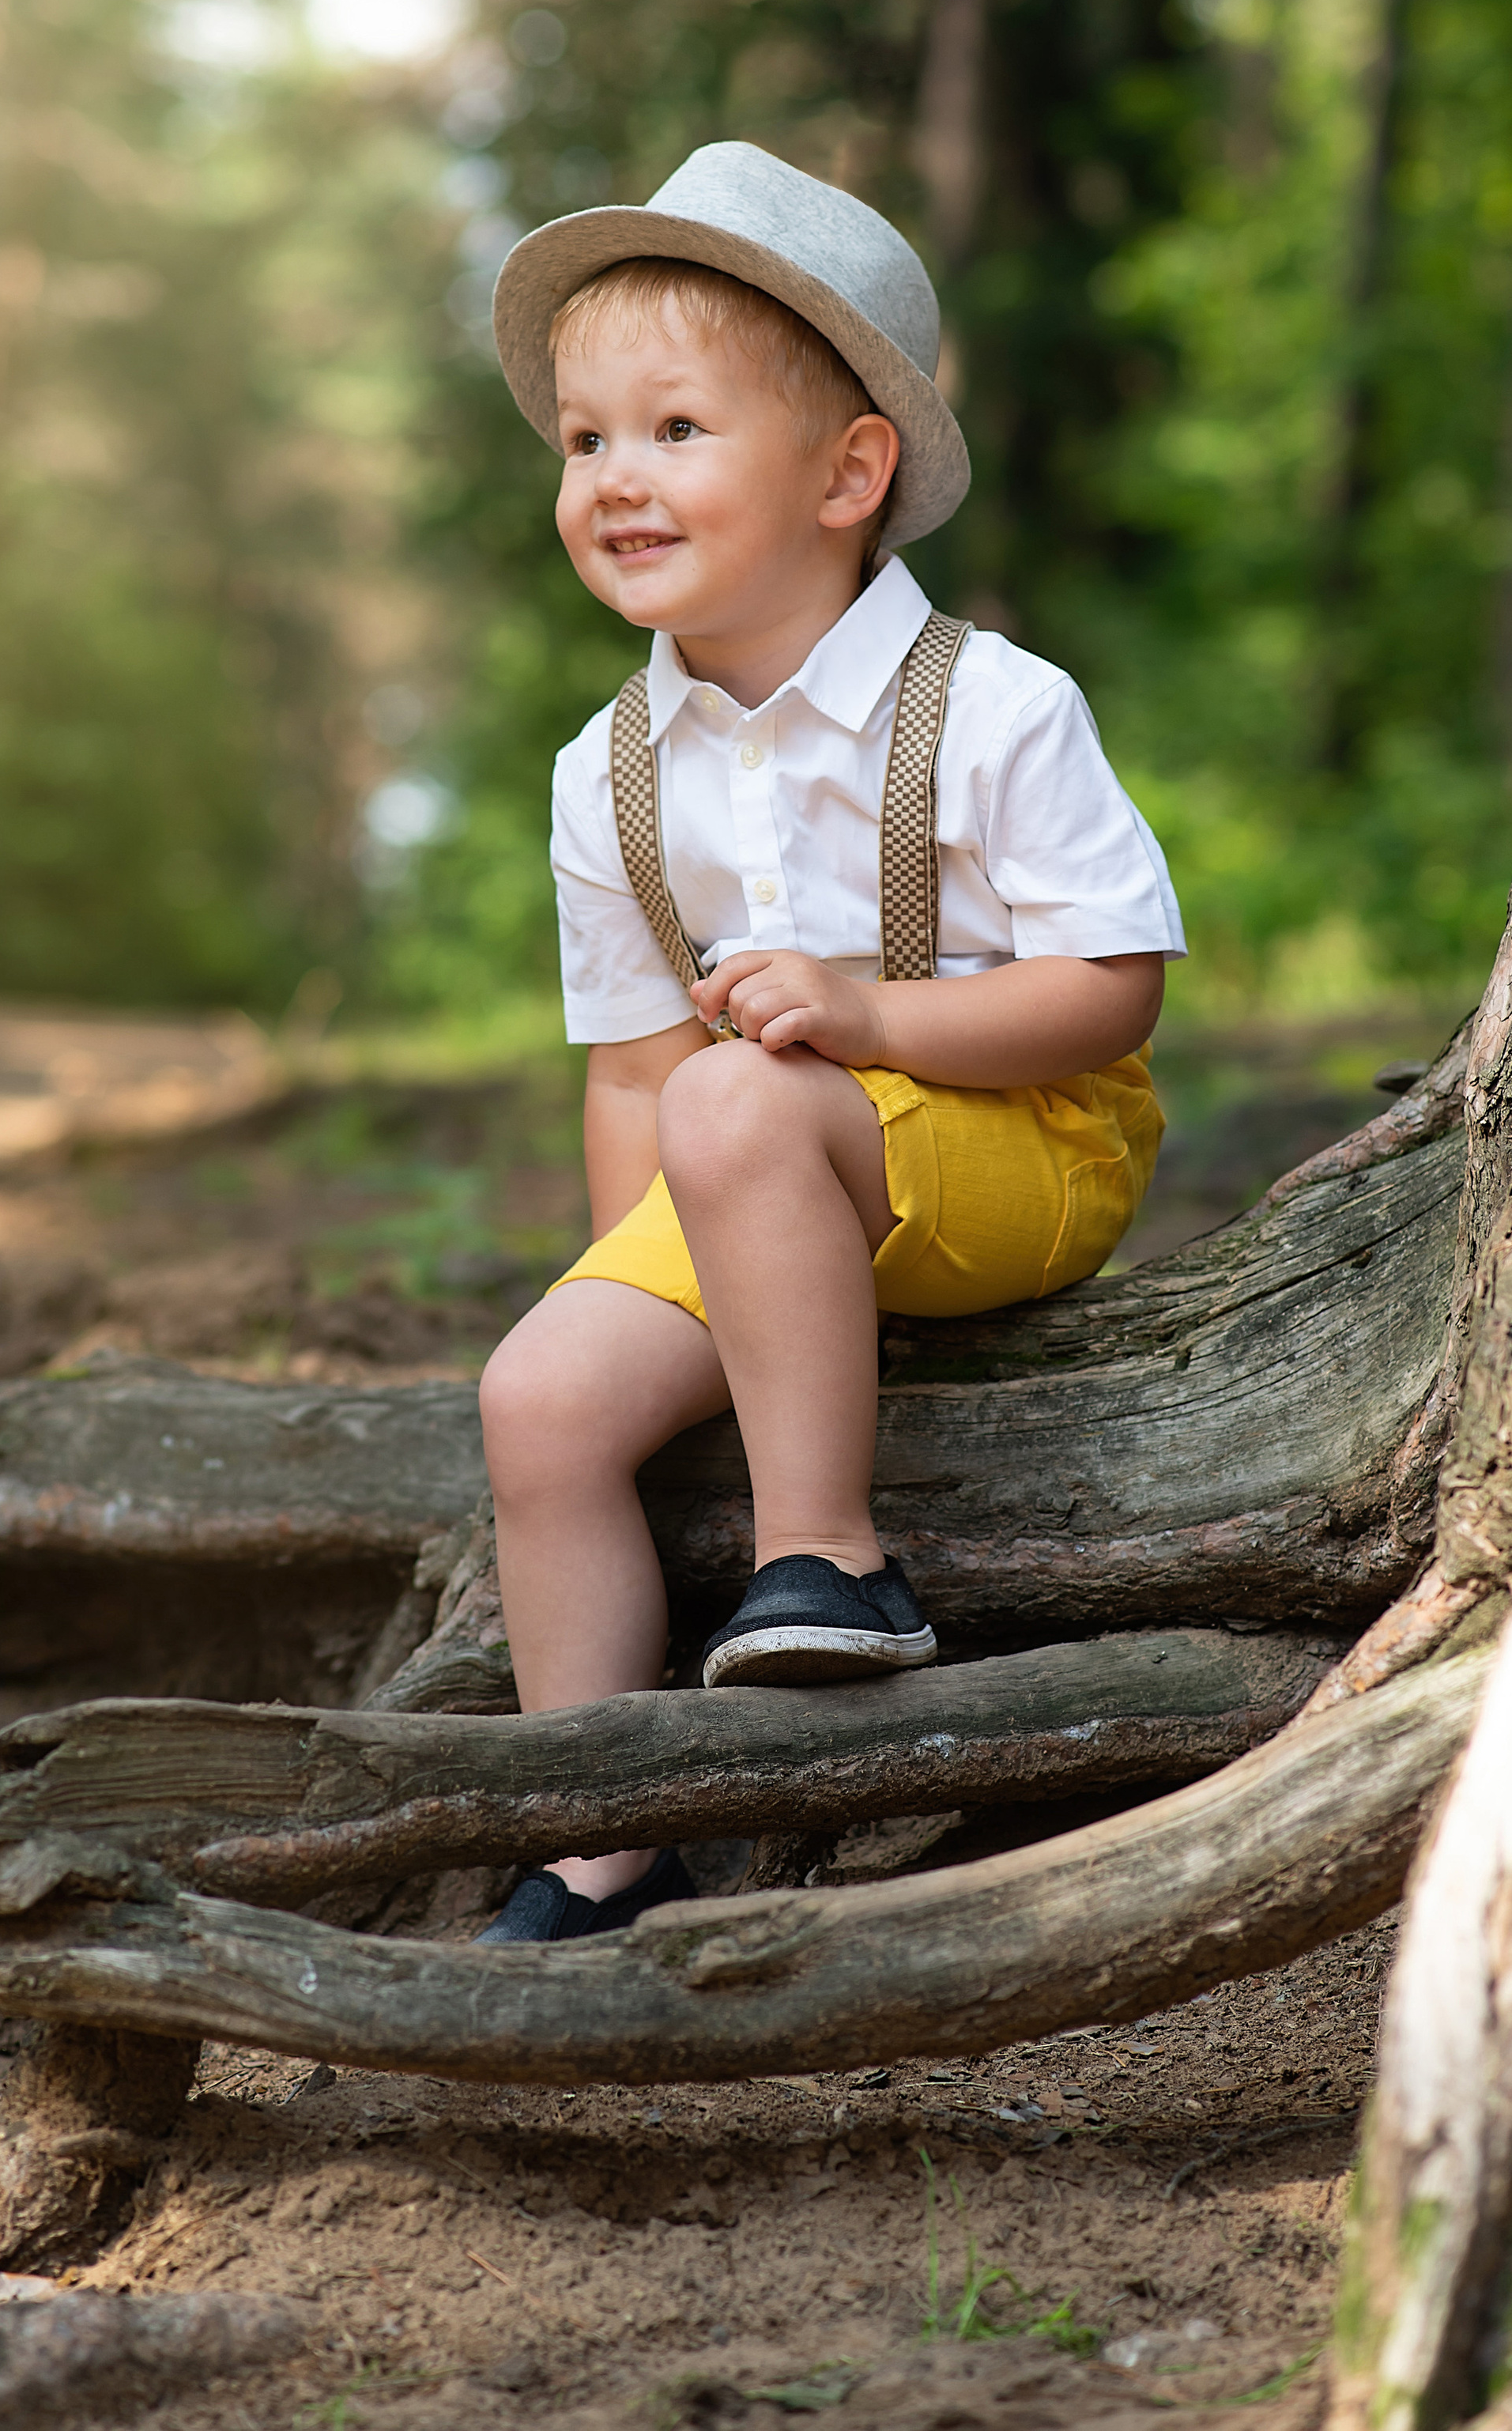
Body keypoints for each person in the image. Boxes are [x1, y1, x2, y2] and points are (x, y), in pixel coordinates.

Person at [473, 142, 1184, 1943]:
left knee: (745, 1095)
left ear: (847, 472)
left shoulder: (992, 706)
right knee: (537, 1401)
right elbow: (634, 1072)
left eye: (674, 430)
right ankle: (599, 1846)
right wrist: (639, 1305)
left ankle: (834, 1563)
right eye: (583, 441)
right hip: (769, 1163)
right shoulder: (604, 773)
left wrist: (869, 1018)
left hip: (1028, 1140)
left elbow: (1116, 988)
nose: (615, 480)